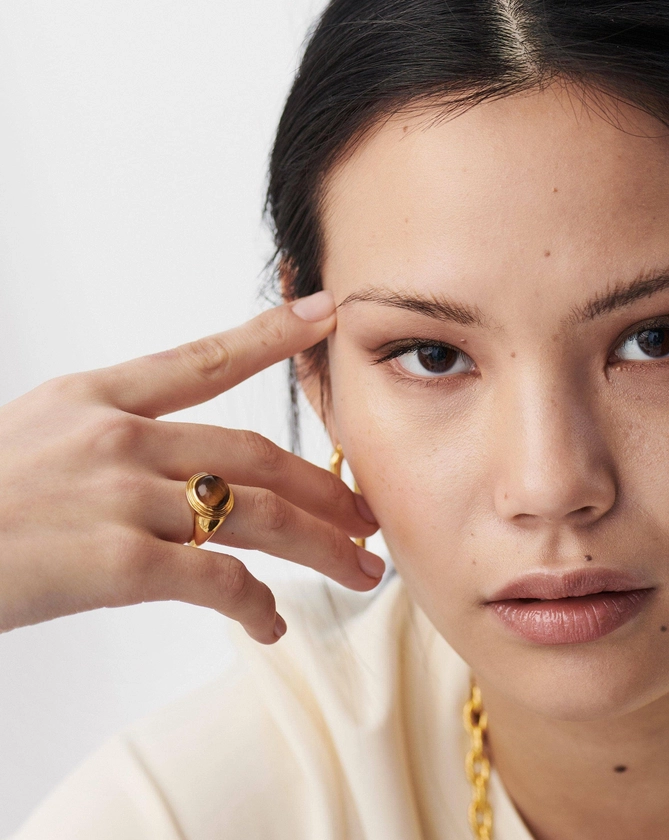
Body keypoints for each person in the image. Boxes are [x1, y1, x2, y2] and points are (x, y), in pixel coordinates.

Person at [4, 0, 669, 837]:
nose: (550, 486)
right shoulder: (193, 813)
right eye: (431, 356)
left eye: (654, 340)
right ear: (315, 371)